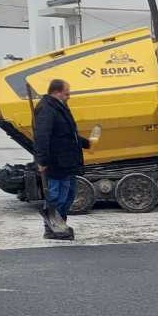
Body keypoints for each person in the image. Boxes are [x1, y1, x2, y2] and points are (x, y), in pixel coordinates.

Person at [32, 79, 90, 240]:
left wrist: (85, 143)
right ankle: (52, 228)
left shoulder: (59, 107)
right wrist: (42, 161)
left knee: (69, 194)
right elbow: (42, 137)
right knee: (57, 197)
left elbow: (67, 133)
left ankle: (60, 224)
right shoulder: (47, 109)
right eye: (67, 93)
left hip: (67, 161)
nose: (69, 96)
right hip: (56, 162)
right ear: (56, 92)